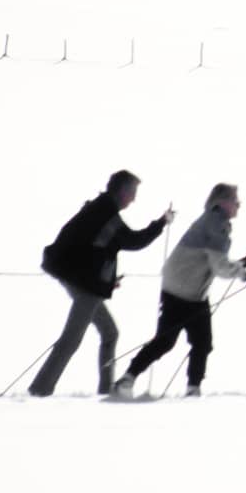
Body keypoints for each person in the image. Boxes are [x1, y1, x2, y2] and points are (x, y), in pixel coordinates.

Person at [30, 170, 174, 397]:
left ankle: (105, 390)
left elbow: (94, 249)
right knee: (71, 339)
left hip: (82, 280)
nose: (134, 199)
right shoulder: (106, 214)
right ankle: (40, 390)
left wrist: (106, 280)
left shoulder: (99, 209)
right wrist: (161, 223)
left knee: (109, 333)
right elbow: (133, 241)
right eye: (133, 193)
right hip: (84, 284)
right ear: (123, 191)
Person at [114, 183, 246, 398]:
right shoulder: (216, 223)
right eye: (235, 200)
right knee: (189, 342)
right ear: (222, 202)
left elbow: (211, 260)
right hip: (185, 290)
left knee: (181, 341)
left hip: (183, 287)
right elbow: (220, 266)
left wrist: (238, 266)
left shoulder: (212, 220)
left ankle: (129, 379)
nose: (238, 205)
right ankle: (191, 390)